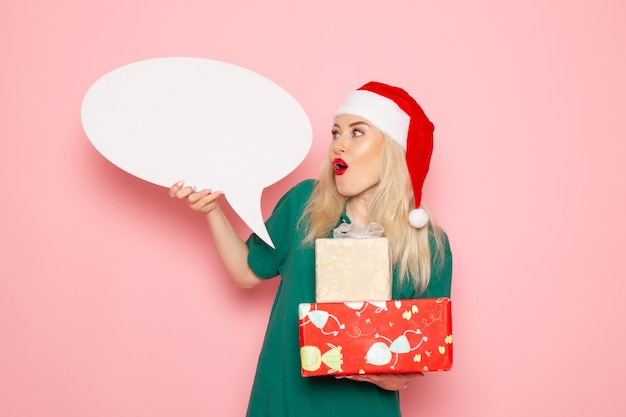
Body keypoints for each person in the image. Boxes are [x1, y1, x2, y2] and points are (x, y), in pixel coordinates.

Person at [169, 81, 452, 417]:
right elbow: (245, 272)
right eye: (336, 133)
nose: (338, 145)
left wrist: (390, 372)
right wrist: (212, 210)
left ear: (393, 148)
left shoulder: (428, 245)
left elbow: (417, 357)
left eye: (356, 132)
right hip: (284, 404)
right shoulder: (304, 204)